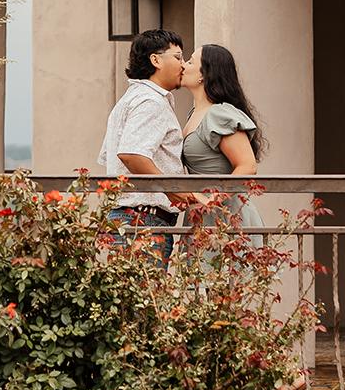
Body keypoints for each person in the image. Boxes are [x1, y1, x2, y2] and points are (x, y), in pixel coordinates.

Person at [96, 27, 186, 258]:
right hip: (143, 222)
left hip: (131, 219)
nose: (183, 65)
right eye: (178, 57)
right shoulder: (150, 101)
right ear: (155, 59)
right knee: (149, 294)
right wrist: (173, 190)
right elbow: (131, 154)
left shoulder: (131, 99)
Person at [178, 43, 265, 235]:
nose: (183, 65)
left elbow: (247, 166)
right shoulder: (194, 114)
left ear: (204, 74)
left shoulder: (219, 114)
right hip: (202, 218)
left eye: (190, 61)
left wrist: (212, 201)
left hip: (225, 217)